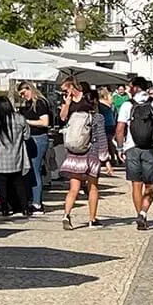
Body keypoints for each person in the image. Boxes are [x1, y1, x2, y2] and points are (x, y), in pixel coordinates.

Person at [118, 77, 153, 230]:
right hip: (152, 149)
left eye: (130, 86)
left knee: (136, 185)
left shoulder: (127, 105)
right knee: (151, 186)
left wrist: (120, 148)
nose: (128, 89)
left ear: (135, 88)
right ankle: (143, 212)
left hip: (131, 148)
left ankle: (139, 215)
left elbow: (120, 128)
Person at [58, 82, 109, 229]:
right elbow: (102, 138)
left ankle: (66, 214)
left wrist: (67, 104)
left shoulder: (73, 115)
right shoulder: (97, 118)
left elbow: (63, 119)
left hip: (74, 154)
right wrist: (105, 159)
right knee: (93, 187)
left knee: (73, 188)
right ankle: (92, 219)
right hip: (91, 154)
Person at [0, 96, 32, 217]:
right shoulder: (20, 119)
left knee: (2, 185)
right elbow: (27, 136)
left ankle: (5, 209)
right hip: (16, 156)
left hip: (0, 158)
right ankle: (25, 208)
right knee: (19, 183)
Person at [17, 82, 52, 214]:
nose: (22, 96)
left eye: (23, 93)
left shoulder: (40, 103)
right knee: (31, 170)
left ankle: (37, 203)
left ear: (29, 89)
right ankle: (33, 199)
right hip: (31, 138)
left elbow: (45, 122)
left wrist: (26, 122)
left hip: (39, 138)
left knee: (35, 170)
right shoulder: (29, 104)